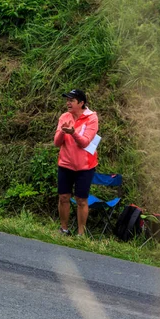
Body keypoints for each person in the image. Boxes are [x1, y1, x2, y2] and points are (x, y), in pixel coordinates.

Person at [54, 89, 99, 236]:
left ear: (81, 103)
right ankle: (64, 229)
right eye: (67, 100)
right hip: (65, 164)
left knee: (81, 200)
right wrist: (62, 131)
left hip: (85, 167)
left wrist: (73, 133)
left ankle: (81, 234)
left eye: (71, 100)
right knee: (63, 197)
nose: (68, 103)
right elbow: (56, 142)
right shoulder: (64, 117)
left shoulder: (91, 118)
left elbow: (85, 142)